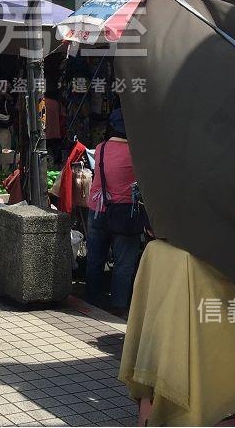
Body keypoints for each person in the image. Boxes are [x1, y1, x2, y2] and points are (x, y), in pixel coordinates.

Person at [85, 109, 142, 317]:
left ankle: (92, 299)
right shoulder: (138, 152)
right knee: (124, 262)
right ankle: (118, 304)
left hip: (97, 210)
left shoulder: (100, 148)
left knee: (95, 257)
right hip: (125, 213)